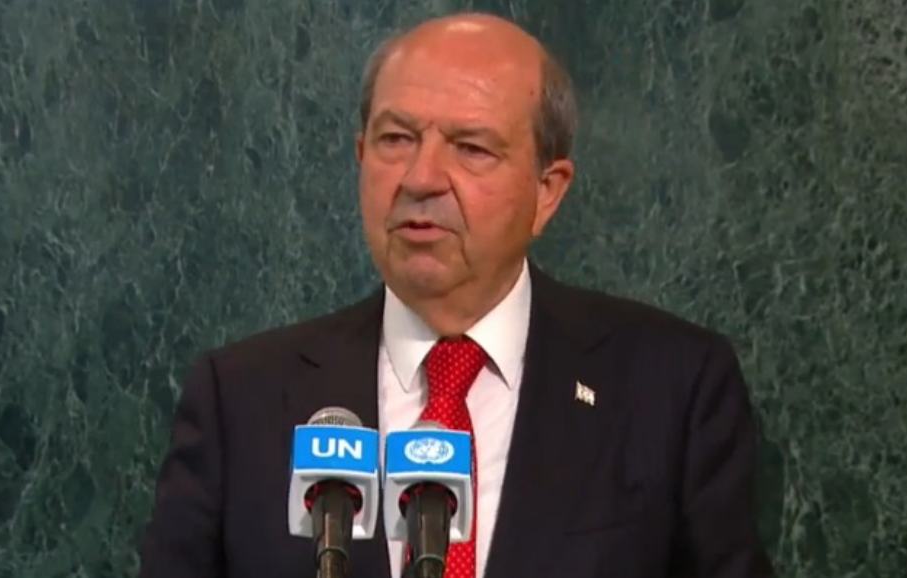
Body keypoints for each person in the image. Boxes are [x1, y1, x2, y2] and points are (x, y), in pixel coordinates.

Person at [138, 11, 775, 578]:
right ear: (360, 156)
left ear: (547, 190)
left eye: (471, 148)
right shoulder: (239, 398)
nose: (421, 177)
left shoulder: (672, 387)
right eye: (395, 140)